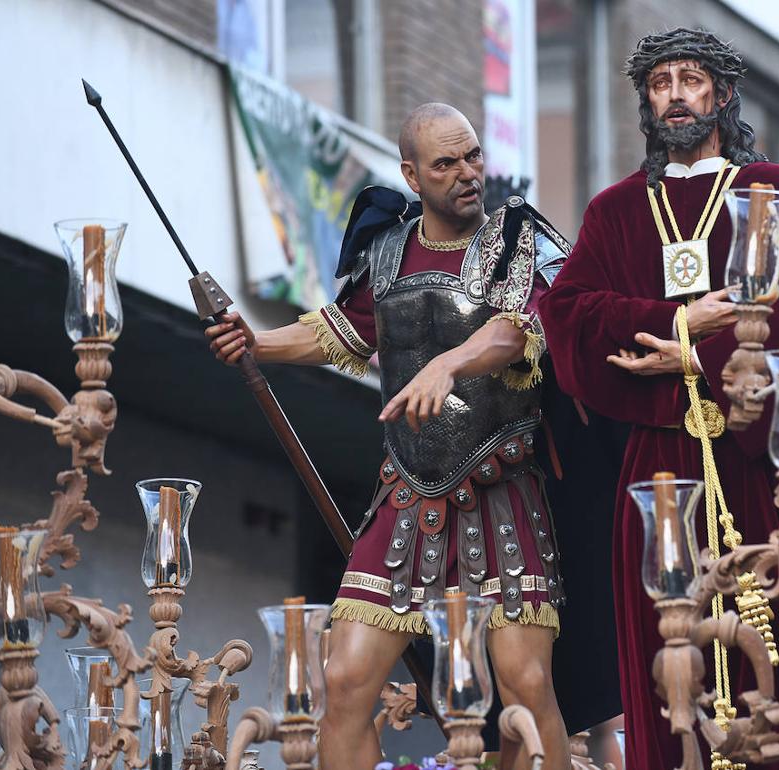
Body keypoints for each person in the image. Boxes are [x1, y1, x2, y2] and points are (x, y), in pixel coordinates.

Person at [206, 103, 573, 770]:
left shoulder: (521, 245)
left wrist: (448, 362)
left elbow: (516, 332)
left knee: (527, 687)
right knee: (344, 680)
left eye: (472, 156)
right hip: (408, 500)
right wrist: (257, 342)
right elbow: (336, 330)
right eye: (445, 164)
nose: (467, 173)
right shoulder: (387, 252)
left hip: (503, 498)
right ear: (411, 173)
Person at [539, 28, 779, 769]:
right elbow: (571, 317)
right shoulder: (616, 211)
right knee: (666, 654)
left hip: (754, 453)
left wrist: (701, 359)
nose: (676, 93)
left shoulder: (776, 193)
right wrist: (679, 322)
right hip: (659, 470)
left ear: (721, 92)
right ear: (646, 102)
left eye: (690, 79)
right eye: (660, 83)